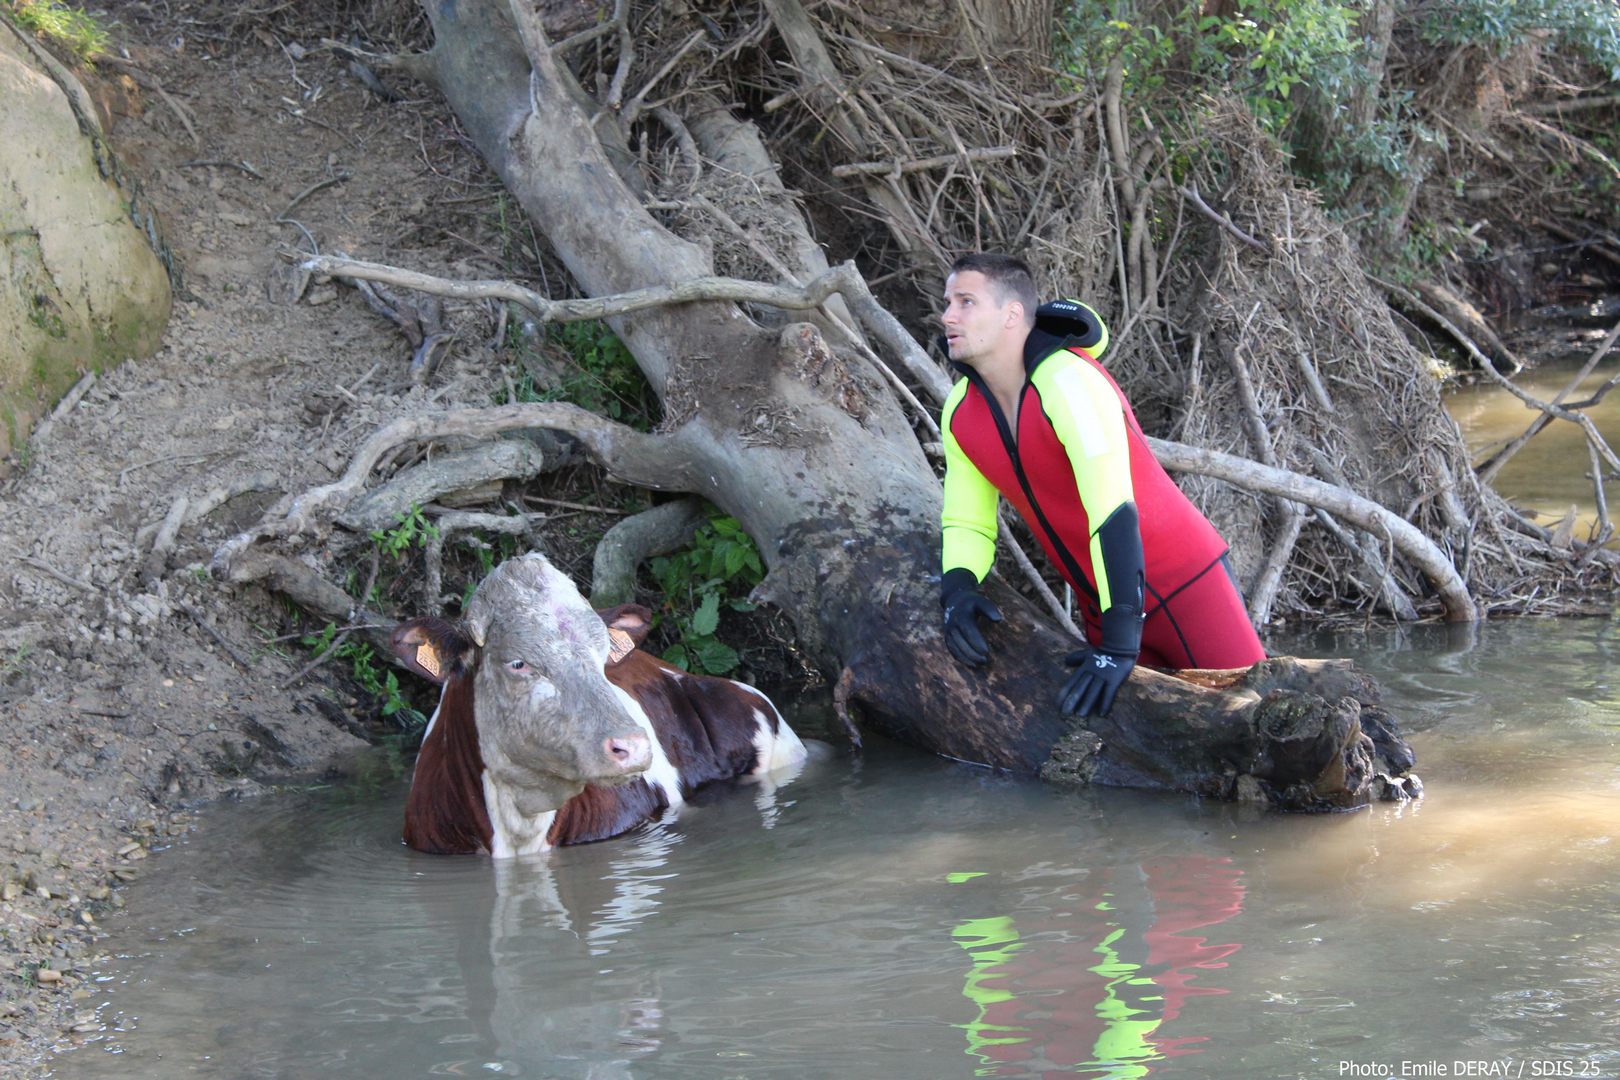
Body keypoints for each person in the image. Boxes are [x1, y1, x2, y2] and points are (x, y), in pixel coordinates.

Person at [937, 252, 1266, 718]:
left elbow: (1111, 511)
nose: (948, 314)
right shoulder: (961, 412)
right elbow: (966, 520)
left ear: (1011, 315)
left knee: (1262, 722)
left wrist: (1118, 642)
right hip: (1104, 604)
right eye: (948, 301)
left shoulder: (1070, 381)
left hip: (1183, 586)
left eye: (966, 301)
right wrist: (958, 593)